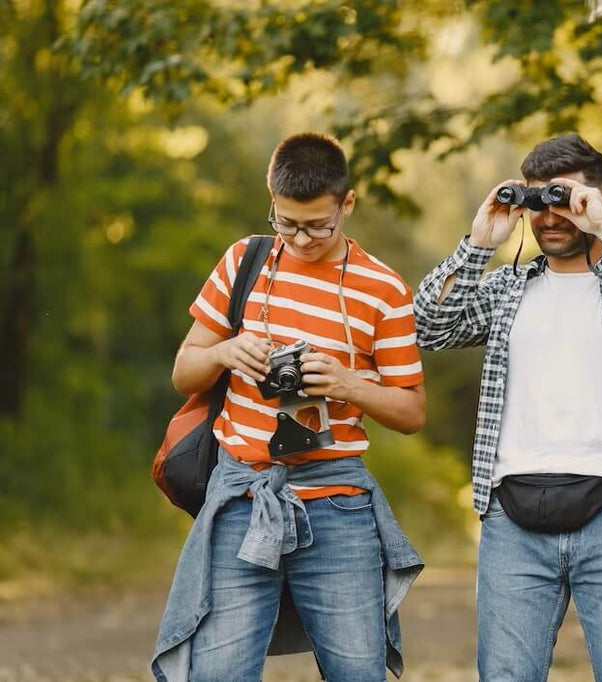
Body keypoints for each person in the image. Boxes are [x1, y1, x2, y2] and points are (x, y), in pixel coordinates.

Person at [414, 133, 602, 681]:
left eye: (566, 200)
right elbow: (428, 326)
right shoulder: (508, 289)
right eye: (537, 201)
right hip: (511, 521)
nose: (549, 216)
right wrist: (479, 242)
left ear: (600, 202)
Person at [151, 133, 426, 681]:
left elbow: (412, 412)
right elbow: (185, 370)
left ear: (347, 204)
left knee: (357, 671)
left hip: (338, 503)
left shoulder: (384, 289)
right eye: (286, 222)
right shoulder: (244, 261)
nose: (300, 239)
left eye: (318, 225)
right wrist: (226, 351)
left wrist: (349, 384)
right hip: (242, 495)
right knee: (219, 671)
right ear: (272, 201)